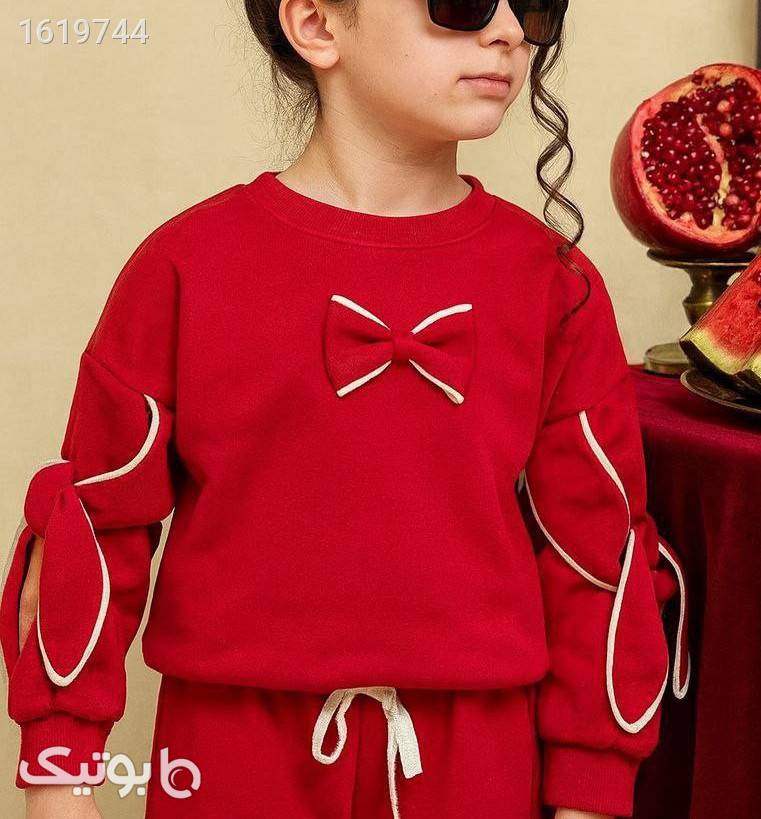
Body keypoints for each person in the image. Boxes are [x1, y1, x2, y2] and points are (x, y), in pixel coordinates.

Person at [0, 1, 691, 817]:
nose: (508, 30)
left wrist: (590, 793)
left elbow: (595, 549)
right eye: (461, 2)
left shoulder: (554, 284)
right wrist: (60, 774)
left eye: (533, 5)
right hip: (229, 750)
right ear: (317, 24)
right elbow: (97, 523)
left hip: (479, 758)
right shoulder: (185, 265)